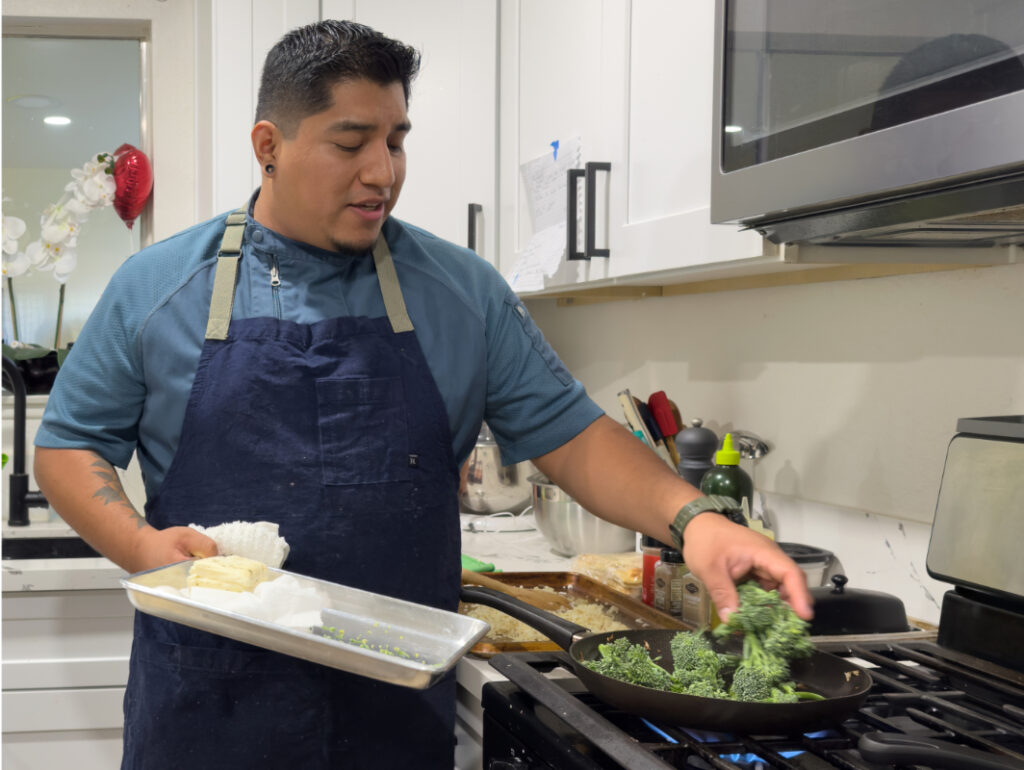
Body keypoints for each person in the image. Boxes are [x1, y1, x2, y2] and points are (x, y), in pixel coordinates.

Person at [33, 19, 812, 770]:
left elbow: (570, 436)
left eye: (397, 140)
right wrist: (141, 548)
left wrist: (694, 519)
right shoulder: (158, 287)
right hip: (209, 706)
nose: (384, 172)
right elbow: (69, 446)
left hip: (395, 712)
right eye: (351, 142)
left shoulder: (460, 292)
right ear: (269, 146)